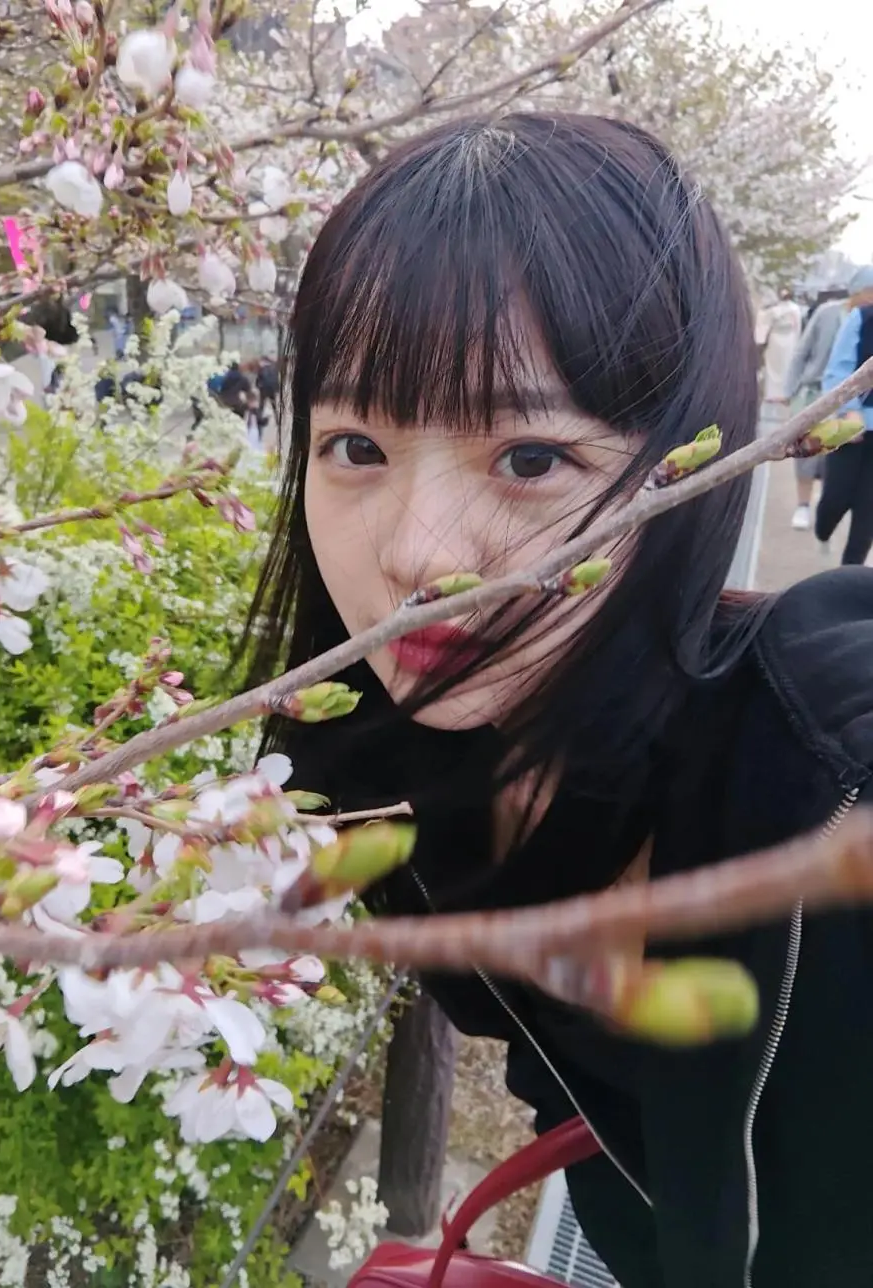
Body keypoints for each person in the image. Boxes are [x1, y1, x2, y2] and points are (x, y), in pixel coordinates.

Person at [240, 112, 873, 1288]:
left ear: (684, 474)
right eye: (357, 447)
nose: (418, 555)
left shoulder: (833, 773)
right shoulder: (390, 784)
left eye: (531, 458)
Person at [814, 270, 873, 565]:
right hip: (853, 426)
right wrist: (849, 411)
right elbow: (838, 369)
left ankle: (849, 575)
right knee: (834, 501)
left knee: (867, 515)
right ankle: (822, 531)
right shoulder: (861, 318)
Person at [783, 286, 851, 529]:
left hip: (849, 400)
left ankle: (826, 505)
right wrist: (789, 391)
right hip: (813, 393)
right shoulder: (827, 313)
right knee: (806, 453)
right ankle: (803, 505)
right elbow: (802, 351)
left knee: (836, 459)